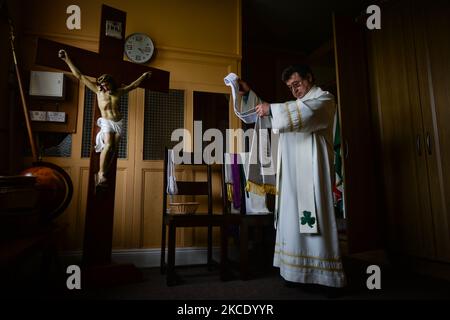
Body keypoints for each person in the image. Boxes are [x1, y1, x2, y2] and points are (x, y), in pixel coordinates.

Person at [238, 65, 346, 288]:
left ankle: (326, 278)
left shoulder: (324, 100)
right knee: (290, 221)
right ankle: (296, 274)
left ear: (309, 77)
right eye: (290, 87)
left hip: (312, 174)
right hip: (291, 176)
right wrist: (249, 94)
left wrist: (272, 109)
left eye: (297, 84)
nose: (295, 90)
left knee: (316, 218)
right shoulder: (293, 106)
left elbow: (302, 114)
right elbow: (271, 116)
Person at [58, 49, 151, 187]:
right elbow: (80, 76)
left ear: (111, 83)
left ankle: (103, 173)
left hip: (119, 122)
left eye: (106, 85)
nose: (104, 87)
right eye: (102, 85)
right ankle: (101, 174)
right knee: (108, 145)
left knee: (114, 148)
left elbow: (133, 86)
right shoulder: (98, 91)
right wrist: (66, 59)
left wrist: (143, 76)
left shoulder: (118, 92)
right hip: (107, 122)